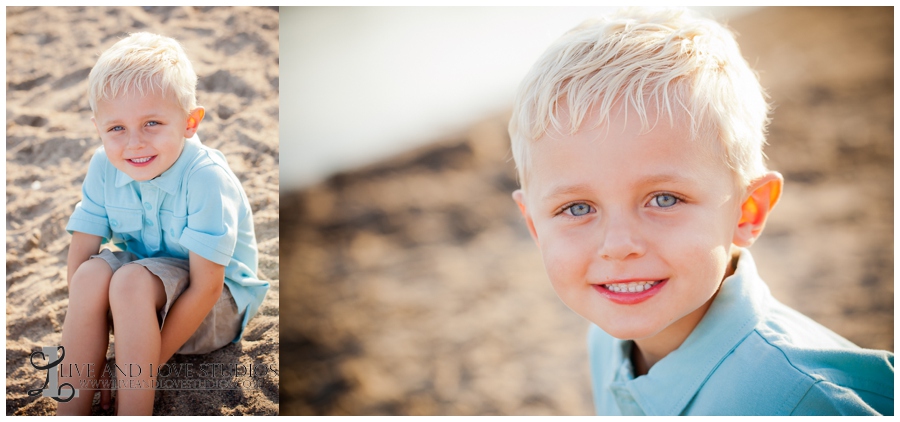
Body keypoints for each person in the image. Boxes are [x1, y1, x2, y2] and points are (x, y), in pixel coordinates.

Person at [508, 7, 893, 415]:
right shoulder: (607, 338)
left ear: (747, 211)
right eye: (578, 207)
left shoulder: (804, 401)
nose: (618, 246)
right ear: (535, 226)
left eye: (664, 199)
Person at [58, 32, 269, 415]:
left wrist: (137, 369)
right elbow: (81, 257)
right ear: (98, 128)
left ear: (189, 122)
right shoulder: (103, 165)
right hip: (142, 296)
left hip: (212, 308)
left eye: (152, 123)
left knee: (130, 280)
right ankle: (68, 410)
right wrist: (92, 360)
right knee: (89, 277)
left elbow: (207, 287)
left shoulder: (206, 177)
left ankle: (133, 409)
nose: (134, 143)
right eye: (116, 128)